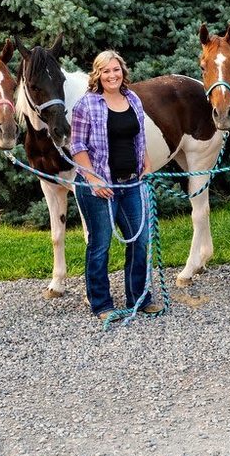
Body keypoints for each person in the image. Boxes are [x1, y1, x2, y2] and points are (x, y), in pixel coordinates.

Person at [70, 50, 163, 321]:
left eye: (116, 70)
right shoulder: (86, 105)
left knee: (141, 239)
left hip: (131, 184)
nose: (112, 75)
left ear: (123, 72)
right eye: (106, 71)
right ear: (97, 75)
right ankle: (102, 304)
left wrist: (145, 166)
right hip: (98, 186)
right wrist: (93, 179)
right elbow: (77, 146)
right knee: (100, 244)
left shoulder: (132, 99)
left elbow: (139, 139)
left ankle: (140, 297)